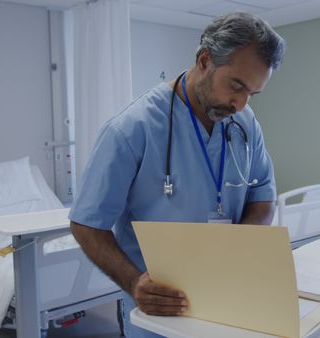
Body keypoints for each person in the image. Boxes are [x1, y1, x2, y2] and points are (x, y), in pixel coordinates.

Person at [69, 11, 286, 337]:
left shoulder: (245, 123)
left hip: (228, 301)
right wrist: (134, 282)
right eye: (236, 85)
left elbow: (263, 196)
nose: (240, 104)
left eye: (251, 94)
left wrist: (239, 251)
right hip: (160, 309)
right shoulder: (132, 129)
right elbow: (87, 223)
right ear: (204, 61)